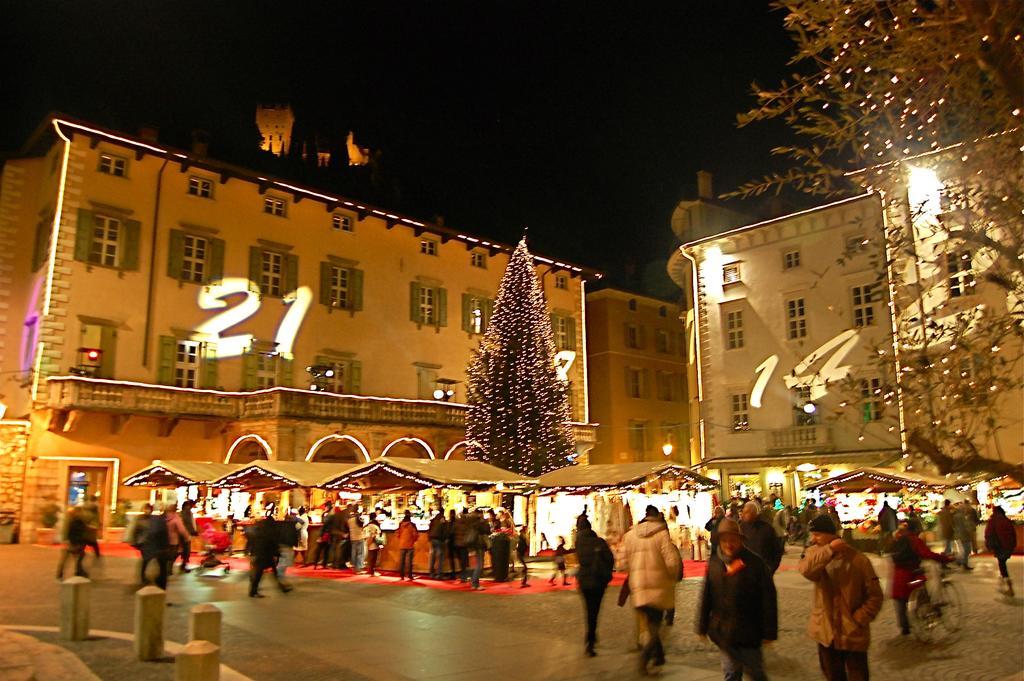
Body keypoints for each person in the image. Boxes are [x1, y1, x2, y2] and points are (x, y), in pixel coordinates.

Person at [798, 514, 882, 681]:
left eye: (818, 534)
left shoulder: (858, 560)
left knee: (858, 675)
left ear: (831, 534)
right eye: (812, 535)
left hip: (852, 633)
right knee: (833, 676)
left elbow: (875, 595)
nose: (814, 539)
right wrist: (829, 550)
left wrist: (858, 618)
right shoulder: (816, 554)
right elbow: (806, 570)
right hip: (826, 632)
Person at [697, 518, 778, 681]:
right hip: (724, 633)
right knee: (731, 673)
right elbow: (707, 595)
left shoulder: (755, 563)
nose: (729, 544)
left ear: (740, 540)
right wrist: (702, 625)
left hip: (749, 631)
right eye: (725, 540)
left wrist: (769, 631)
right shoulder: (714, 563)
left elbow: (768, 599)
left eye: (733, 540)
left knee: (756, 673)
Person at [623, 504, 682, 675]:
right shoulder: (662, 535)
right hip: (658, 588)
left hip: (638, 588)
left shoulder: (629, 536)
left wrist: (633, 571)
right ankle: (643, 660)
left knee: (648, 625)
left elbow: (621, 562)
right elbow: (672, 562)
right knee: (655, 626)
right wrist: (672, 577)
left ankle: (659, 656)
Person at [889, 521, 953, 635]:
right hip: (911, 574)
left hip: (898, 575)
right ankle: (926, 617)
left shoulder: (899, 540)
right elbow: (927, 554)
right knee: (922, 592)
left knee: (901, 599)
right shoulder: (915, 540)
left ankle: (905, 627)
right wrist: (945, 558)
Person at [575, 515, 614, 657]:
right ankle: (590, 640)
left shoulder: (578, 543)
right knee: (594, 611)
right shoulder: (599, 542)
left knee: (588, 610)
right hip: (597, 581)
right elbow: (610, 559)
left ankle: (591, 635)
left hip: (584, 581)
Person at [248, 515, 292, 598]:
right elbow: (273, 543)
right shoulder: (270, 531)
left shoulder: (259, 530)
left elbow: (253, 542)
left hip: (260, 553)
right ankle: (254, 591)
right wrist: (277, 554)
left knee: (261, 572)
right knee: (264, 573)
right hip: (266, 555)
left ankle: (254, 590)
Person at [740, 502, 781, 573]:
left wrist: (771, 568)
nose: (743, 515)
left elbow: (777, 550)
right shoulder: (741, 527)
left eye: (746, 512)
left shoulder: (766, 528)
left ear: (754, 513)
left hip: (764, 570)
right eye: (743, 512)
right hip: (746, 570)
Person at [985, 505, 1017, 597]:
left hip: (1000, 546)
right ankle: (1005, 583)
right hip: (1008, 546)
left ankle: (1008, 586)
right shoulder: (1006, 520)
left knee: (1002, 566)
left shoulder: (993, 521)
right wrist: (1013, 545)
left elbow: (989, 534)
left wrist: (989, 546)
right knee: (1002, 564)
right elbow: (1013, 533)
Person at [141, 505, 172, 589]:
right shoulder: (160, 521)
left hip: (155, 547)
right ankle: (159, 584)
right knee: (160, 566)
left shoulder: (156, 520)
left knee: (150, 562)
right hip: (159, 548)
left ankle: (149, 579)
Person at [56, 507, 90, 580]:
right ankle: (78, 571)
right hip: (74, 543)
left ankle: (61, 574)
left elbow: (67, 531)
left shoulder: (71, 520)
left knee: (69, 559)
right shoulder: (78, 522)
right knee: (78, 557)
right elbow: (81, 533)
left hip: (71, 543)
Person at [163, 504, 189, 583]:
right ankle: (169, 570)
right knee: (173, 555)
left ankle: (165, 570)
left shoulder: (163, 517)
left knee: (167, 555)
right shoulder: (176, 518)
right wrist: (187, 537)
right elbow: (181, 530)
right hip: (174, 540)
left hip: (165, 540)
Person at [468, 509, 489, 590]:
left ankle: (474, 582)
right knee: (479, 564)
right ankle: (475, 583)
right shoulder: (480, 523)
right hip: (479, 544)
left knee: (478, 564)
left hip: (475, 544)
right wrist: (485, 522)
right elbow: (487, 531)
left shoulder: (472, 522)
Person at [396, 510, 419, 580]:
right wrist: (414, 540)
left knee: (402, 560)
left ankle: (402, 575)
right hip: (410, 544)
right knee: (409, 561)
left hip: (402, 544)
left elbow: (397, 533)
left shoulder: (400, 524)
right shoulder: (412, 525)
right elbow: (415, 534)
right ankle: (410, 575)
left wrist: (401, 539)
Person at [952, 502, 974, 571]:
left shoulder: (956, 516)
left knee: (964, 550)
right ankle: (963, 563)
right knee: (967, 550)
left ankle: (961, 562)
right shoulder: (961, 516)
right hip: (964, 535)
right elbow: (965, 526)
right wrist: (970, 531)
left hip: (959, 535)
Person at [428, 508, 449, 579]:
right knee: (440, 557)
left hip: (432, 539)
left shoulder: (433, 520)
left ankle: (431, 573)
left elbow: (430, 529)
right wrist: (445, 539)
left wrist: (429, 538)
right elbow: (445, 530)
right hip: (439, 539)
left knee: (433, 556)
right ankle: (439, 574)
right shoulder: (443, 520)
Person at [178, 500, 198, 573]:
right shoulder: (187, 512)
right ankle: (183, 565)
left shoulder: (183, 512)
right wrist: (193, 531)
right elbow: (188, 523)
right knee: (186, 550)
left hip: (183, 533)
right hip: (186, 533)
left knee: (182, 549)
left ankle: (183, 564)